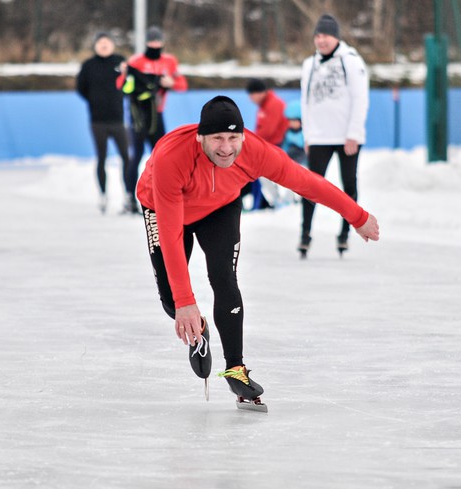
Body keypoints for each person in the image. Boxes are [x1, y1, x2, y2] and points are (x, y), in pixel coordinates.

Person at [136, 96, 379, 404]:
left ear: (243, 135)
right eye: (217, 139)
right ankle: (201, 328)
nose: (226, 148)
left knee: (224, 278)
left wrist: (356, 215)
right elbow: (171, 232)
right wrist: (186, 303)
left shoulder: (256, 152)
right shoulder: (174, 156)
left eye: (233, 138)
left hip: (219, 207)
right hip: (163, 208)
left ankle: (235, 368)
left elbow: (306, 182)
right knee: (173, 299)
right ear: (201, 138)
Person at [300, 14, 369, 258]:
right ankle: (305, 234)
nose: (321, 41)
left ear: (336, 37)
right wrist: (307, 136)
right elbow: (305, 101)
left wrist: (353, 134)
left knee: (348, 185)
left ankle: (344, 234)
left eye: (325, 35)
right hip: (319, 136)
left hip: (346, 137)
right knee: (310, 186)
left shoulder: (350, 61)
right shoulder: (310, 64)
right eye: (317, 36)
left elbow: (361, 97)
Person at [118, 26, 187, 213]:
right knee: (137, 155)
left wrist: (171, 83)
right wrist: (126, 74)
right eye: (151, 41)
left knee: (162, 157)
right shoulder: (136, 61)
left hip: (157, 114)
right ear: (146, 42)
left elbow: (182, 84)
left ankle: (161, 196)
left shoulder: (169, 61)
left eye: (158, 41)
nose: (155, 45)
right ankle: (129, 197)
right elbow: (121, 85)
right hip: (138, 116)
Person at [76, 32, 131, 214]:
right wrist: (94, 100)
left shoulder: (120, 62)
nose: (104, 45)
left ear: (112, 45)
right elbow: (81, 88)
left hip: (117, 119)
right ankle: (103, 194)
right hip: (97, 120)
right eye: (100, 42)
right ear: (95, 45)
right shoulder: (89, 65)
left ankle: (129, 195)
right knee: (102, 157)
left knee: (126, 157)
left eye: (107, 42)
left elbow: (129, 84)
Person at [244, 78, 288, 210]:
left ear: (260, 93)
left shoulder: (273, 104)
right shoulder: (265, 105)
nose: (250, 99)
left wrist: (250, 143)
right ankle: (270, 200)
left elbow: (268, 131)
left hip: (279, 147)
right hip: (270, 146)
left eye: (251, 95)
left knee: (262, 174)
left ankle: (279, 201)